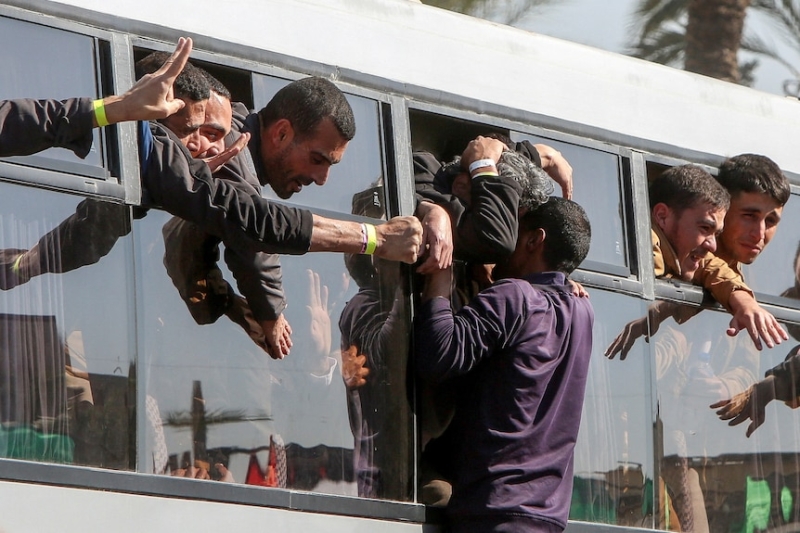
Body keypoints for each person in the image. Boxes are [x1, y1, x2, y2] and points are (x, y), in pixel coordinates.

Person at [0, 37, 423, 271]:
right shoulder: (146, 136)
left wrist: (23, 266)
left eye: (217, 135)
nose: (209, 147)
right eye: (199, 130)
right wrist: (373, 238)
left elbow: (86, 236)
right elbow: (245, 217)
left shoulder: (145, 158)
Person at [414, 197, 593, 533]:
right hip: (547, 517)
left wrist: (442, 273)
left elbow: (438, 356)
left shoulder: (515, 297)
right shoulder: (583, 311)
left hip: (494, 511)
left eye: (513, 230)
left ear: (533, 240)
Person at [605, 163, 786, 359]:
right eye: (704, 228)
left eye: (770, 221)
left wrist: (744, 301)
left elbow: (711, 266)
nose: (712, 246)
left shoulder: (687, 251)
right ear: (662, 216)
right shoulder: (644, 244)